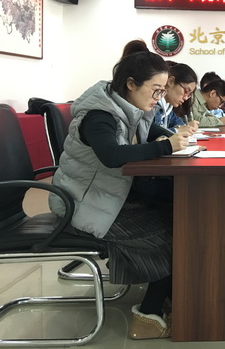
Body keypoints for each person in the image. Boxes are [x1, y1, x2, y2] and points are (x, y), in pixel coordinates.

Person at [49, 45, 192, 339]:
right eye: (156, 90)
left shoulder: (129, 107)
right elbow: (112, 155)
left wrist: (176, 137)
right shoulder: (99, 115)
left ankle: (167, 295)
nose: (159, 97)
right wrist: (167, 146)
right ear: (130, 84)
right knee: (173, 233)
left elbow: (150, 132)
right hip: (81, 204)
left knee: (179, 217)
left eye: (163, 91)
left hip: (106, 197)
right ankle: (148, 317)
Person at [154, 62, 199, 132]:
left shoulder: (168, 108)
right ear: (171, 81)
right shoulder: (153, 104)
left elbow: (179, 123)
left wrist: (186, 127)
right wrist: (177, 130)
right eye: (186, 91)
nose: (186, 98)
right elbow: (152, 135)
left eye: (189, 94)